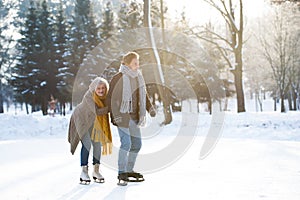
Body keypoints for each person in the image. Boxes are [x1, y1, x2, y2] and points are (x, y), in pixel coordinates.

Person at [107, 51, 156, 186]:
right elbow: (111, 98)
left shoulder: (139, 77)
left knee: (137, 145)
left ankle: (129, 169)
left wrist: (150, 108)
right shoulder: (118, 77)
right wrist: (114, 115)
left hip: (134, 117)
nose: (137, 65)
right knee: (126, 144)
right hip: (122, 117)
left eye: (138, 62)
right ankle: (121, 172)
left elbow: (143, 95)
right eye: (135, 63)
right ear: (127, 64)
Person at [68, 77, 112, 184]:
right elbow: (97, 111)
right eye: (98, 88)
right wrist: (111, 108)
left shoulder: (105, 97)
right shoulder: (89, 96)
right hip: (81, 120)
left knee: (97, 144)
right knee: (87, 144)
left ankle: (96, 171)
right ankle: (84, 171)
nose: (101, 90)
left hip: (93, 122)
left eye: (103, 88)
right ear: (94, 88)